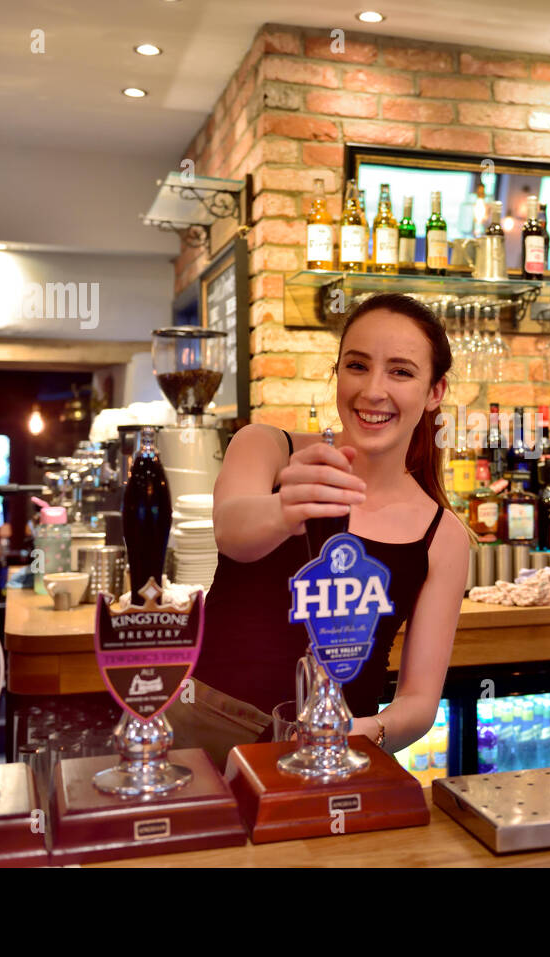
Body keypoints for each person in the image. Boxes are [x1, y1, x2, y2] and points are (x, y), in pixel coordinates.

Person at [171, 293, 469, 769]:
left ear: (435, 391)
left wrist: (349, 736)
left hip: (336, 755)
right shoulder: (266, 447)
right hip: (205, 734)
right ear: (337, 373)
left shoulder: (441, 534)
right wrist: (288, 508)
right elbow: (233, 531)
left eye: (401, 371)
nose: (373, 390)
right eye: (357, 365)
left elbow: (417, 703)